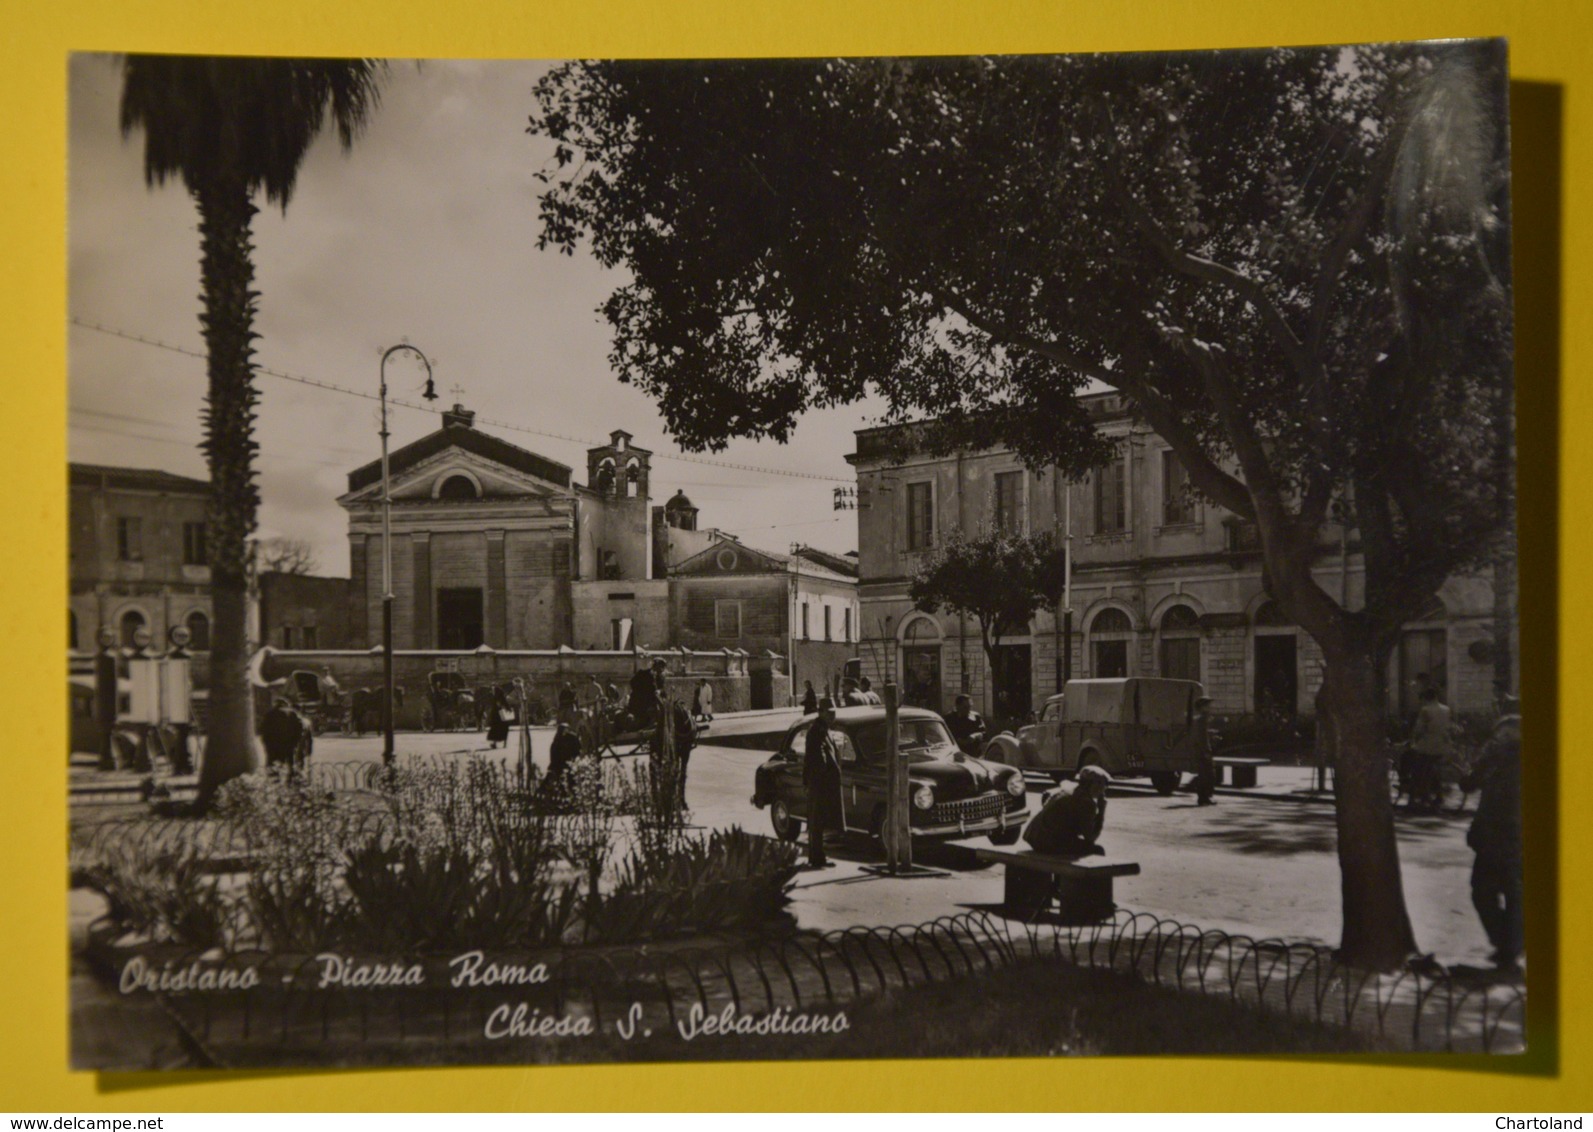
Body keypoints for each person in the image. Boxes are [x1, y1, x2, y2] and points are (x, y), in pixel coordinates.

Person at [1462, 695, 1523, 972]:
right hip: (1514, 835)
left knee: (1485, 891)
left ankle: (1508, 946)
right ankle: (1511, 947)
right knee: (1512, 892)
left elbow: (1469, 783)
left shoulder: (1500, 748)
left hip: (1498, 834)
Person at [1022, 765, 1111, 856]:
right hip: (1048, 843)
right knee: (1097, 850)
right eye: (1102, 784)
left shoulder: (1069, 788)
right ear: (1093, 784)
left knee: (1073, 843)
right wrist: (1101, 810)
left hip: (1034, 837)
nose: (1104, 788)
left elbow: (1046, 794)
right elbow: (1091, 837)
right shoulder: (1086, 802)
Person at [802, 699, 845, 868]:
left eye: (833, 712)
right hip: (819, 782)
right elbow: (816, 758)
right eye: (829, 713)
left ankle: (818, 857)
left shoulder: (825, 730)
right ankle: (816, 858)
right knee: (816, 821)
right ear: (820, 712)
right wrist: (825, 772)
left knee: (819, 821)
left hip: (823, 781)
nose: (832, 716)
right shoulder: (816, 731)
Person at [1406, 686, 1452, 811]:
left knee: (1415, 766)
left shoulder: (1425, 710)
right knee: (1432, 769)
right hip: (1442, 745)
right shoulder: (1446, 709)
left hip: (1428, 744)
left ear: (1426, 698)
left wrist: (1412, 740)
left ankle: (1417, 794)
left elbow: (1419, 729)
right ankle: (1437, 795)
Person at [261, 698, 307, 773]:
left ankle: (273, 779)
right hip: (287, 743)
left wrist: (267, 743)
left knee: (272, 762)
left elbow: (263, 730)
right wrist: (295, 741)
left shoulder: (268, 714)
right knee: (290, 762)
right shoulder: (291, 713)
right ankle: (292, 777)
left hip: (272, 744)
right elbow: (298, 728)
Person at [671, 698, 697, 808]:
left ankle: (679, 798)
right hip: (685, 741)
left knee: (678, 769)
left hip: (682, 740)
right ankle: (679, 798)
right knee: (681, 770)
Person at [1192, 696, 1218, 805]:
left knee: (1206, 774)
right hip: (1203, 751)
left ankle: (1204, 797)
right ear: (1202, 707)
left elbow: (1203, 734)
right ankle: (1204, 797)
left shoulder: (1202, 719)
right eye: (1207, 705)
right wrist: (1206, 751)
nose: (1210, 707)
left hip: (1201, 750)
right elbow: (1201, 737)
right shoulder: (1202, 719)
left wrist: (1211, 734)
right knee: (1208, 775)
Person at [629, 659, 666, 730]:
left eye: (662, 669)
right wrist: (644, 692)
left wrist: (659, 691)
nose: (661, 671)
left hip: (652, 702)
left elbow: (663, 690)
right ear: (655, 667)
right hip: (640, 703)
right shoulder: (642, 674)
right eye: (660, 668)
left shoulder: (660, 677)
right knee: (654, 712)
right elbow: (632, 683)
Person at [485, 685, 512, 749]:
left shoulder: (494, 699)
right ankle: (504, 744)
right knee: (504, 730)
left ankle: (494, 744)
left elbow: (492, 709)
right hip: (503, 718)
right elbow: (509, 708)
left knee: (495, 730)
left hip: (496, 718)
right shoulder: (503, 698)